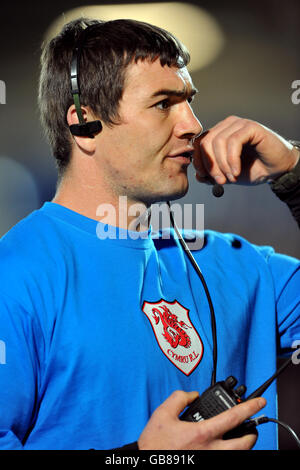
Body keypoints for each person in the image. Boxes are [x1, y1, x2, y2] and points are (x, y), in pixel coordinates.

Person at [0, 17, 299, 451]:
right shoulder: (16, 274)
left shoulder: (243, 268)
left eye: (189, 102)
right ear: (85, 123)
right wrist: (141, 460)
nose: (193, 125)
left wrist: (292, 171)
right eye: (164, 104)